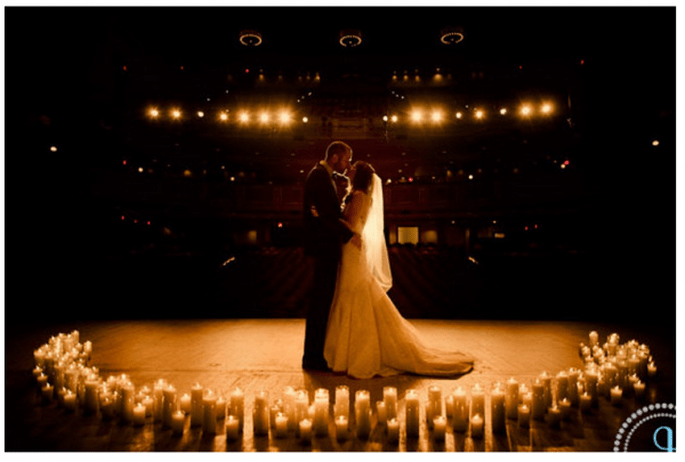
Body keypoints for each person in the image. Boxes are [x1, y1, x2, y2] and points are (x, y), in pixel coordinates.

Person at [323, 161, 475, 379]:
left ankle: (355, 353)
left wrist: (330, 218)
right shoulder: (359, 195)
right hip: (350, 248)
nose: (350, 169)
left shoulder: (358, 196)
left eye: (354, 168)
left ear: (360, 175)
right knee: (352, 294)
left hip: (351, 248)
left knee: (352, 294)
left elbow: (351, 223)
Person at [302, 141, 361, 371]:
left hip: (325, 247)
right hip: (323, 247)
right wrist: (349, 234)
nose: (347, 165)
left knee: (323, 302)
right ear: (335, 157)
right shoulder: (318, 175)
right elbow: (326, 215)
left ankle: (316, 355)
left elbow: (327, 213)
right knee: (320, 303)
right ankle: (313, 358)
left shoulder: (323, 176)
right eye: (346, 159)